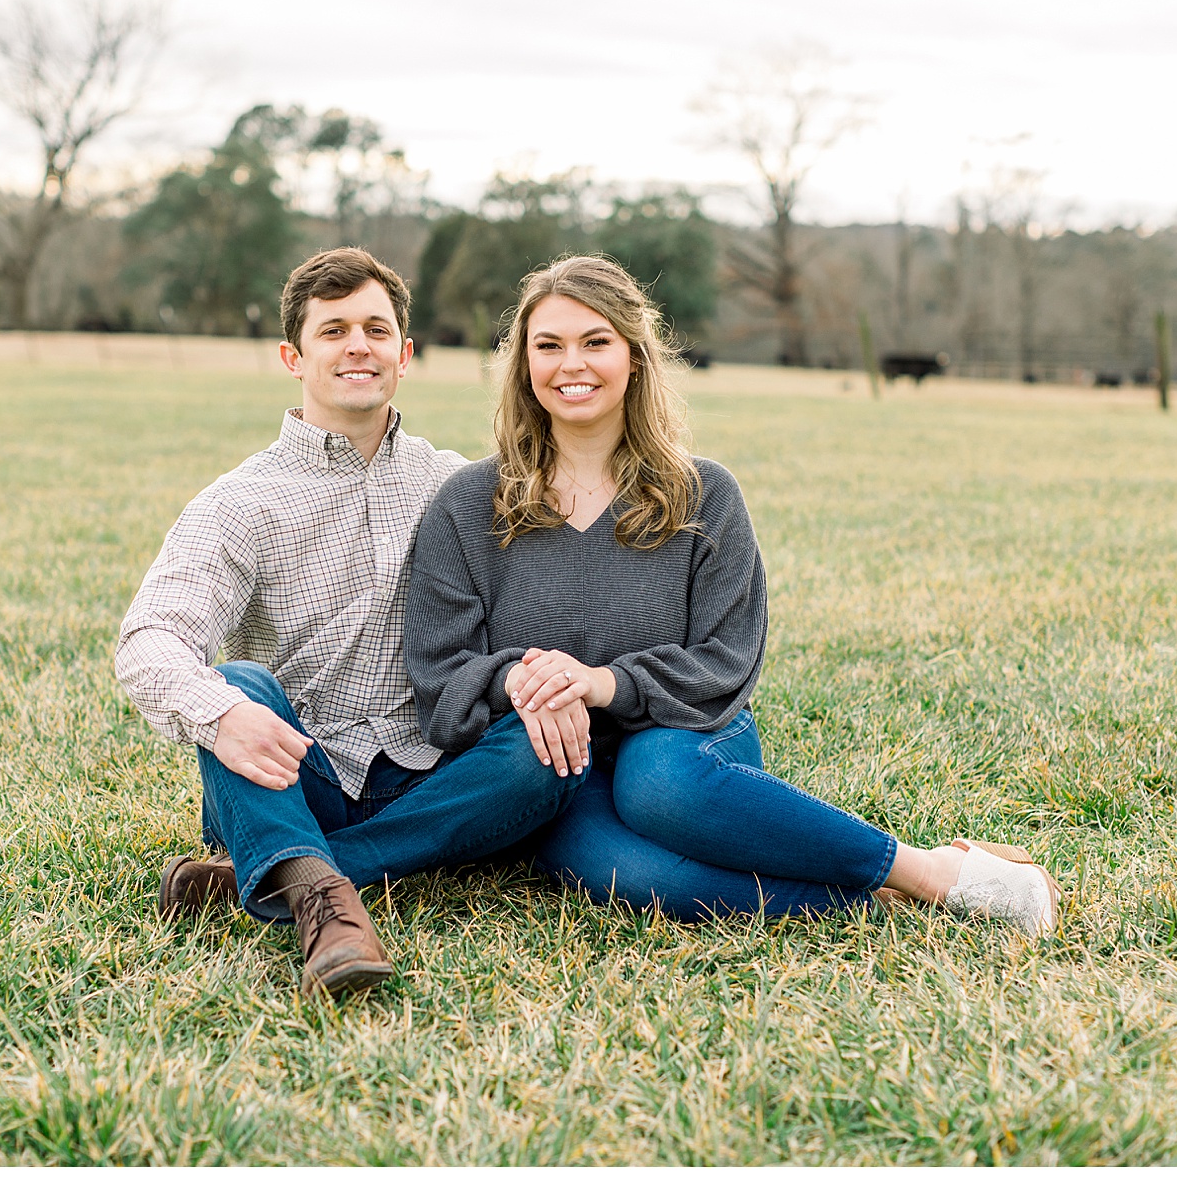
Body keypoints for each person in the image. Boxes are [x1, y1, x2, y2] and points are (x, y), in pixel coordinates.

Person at [405, 255, 1062, 934]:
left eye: (596, 341)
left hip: (686, 737)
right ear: (523, 366)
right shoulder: (468, 505)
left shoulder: (705, 495)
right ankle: (878, 897)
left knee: (658, 785)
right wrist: (524, 682)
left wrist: (603, 683)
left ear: (634, 356)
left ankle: (929, 871)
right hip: (553, 767)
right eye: (550, 346)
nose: (573, 363)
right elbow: (440, 681)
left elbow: (728, 661)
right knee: (632, 875)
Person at [116, 248, 585, 999]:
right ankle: (323, 906)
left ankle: (280, 866)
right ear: (292, 357)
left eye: (375, 328)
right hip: (296, 771)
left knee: (546, 748)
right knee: (237, 683)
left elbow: (538, 602)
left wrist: (545, 672)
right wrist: (223, 713)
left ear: (404, 354)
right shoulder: (240, 503)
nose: (357, 345)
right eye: (333, 330)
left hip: (433, 772)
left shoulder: (460, 485)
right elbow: (150, 643)